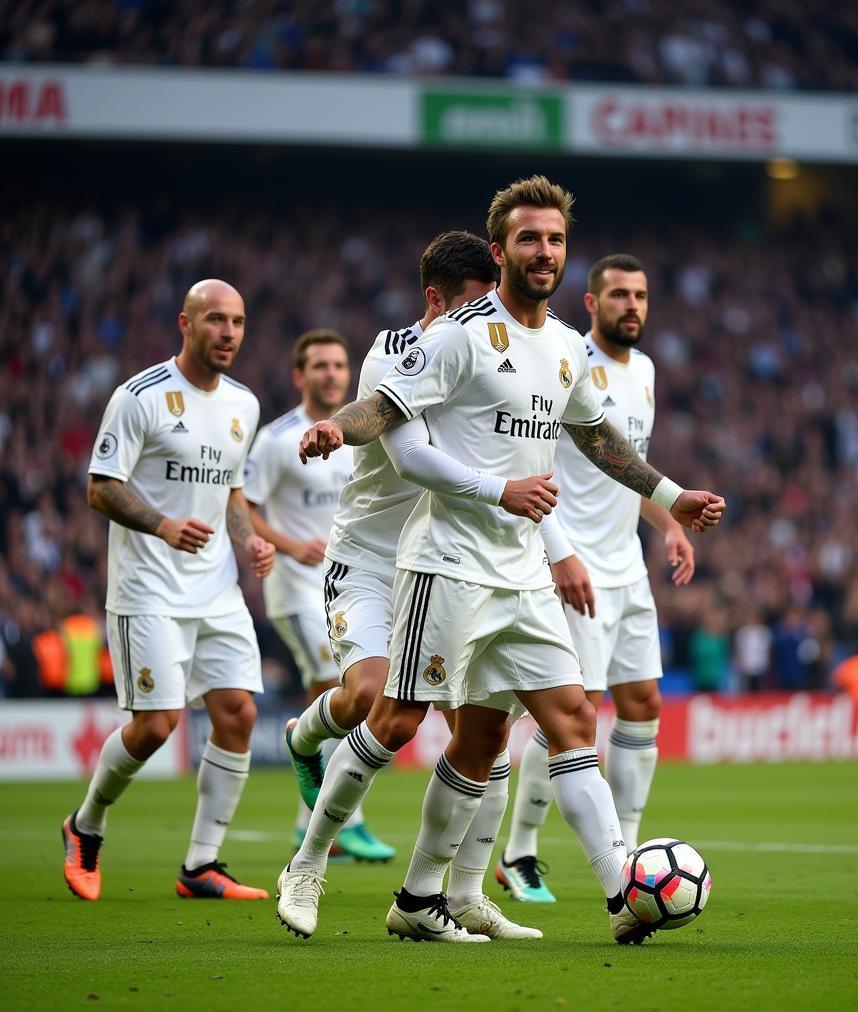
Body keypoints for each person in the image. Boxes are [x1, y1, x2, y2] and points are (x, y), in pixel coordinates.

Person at [284, 176, 725, 945]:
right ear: (500, 250)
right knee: (396, 719)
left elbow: (596, 437)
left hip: (520, 571)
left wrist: (673, 493)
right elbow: (385, 412)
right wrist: (335, 427)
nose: (544, 251)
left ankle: (580, 894)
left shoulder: (563, 349)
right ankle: (308, 862)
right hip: (445, 565)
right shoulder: (456, 336)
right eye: (529, 239)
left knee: (556, 723)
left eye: (555, 239)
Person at [278, 230, 547, 941]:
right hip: (369, 560)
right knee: (377, 704)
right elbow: (389, 430)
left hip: (452, 563)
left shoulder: (506, 353)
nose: (490, 311)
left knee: (482, 734)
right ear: (437, 300)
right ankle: (306, 856)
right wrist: (337, 425)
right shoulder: (398, 350)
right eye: (474, 299)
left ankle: (461, 896)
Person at [61, 279, 275, 901]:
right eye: (215, 320)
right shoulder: (140, 398)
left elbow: (231, 489)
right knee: (157, 727)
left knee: (238, 713)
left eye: (237, 322)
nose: (228, 333)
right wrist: (161, 524)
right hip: (148, 590)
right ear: (185, 323)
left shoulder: (244, 404)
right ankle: (85, 824)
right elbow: (100, 487)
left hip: (216, 589)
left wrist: (249, 538)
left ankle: (201, 865)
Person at [497, 253, 695, 903]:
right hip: (576, 567)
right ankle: (519, 851)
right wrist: (557, 552)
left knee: (643, 706)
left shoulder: (646, 371)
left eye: (640, 295)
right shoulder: (565, 362)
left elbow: (622, 465)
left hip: (628, 568)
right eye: (619, 296)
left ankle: (630, 850)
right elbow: (536, 461)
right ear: (591, 303)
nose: (632, 306)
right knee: (573, 715)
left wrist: (667, 522)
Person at [244, 329, 393, 861]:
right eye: (320, 366)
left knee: (325, 697)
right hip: (296, 587)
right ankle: (346, 819)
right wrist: (286, 544)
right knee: (346, 686)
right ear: (299, 376)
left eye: (338, 365)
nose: (331, 373)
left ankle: (311, 825)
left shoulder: (365, 429)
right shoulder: (277, 439)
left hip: (349, 581)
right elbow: (245, 505)